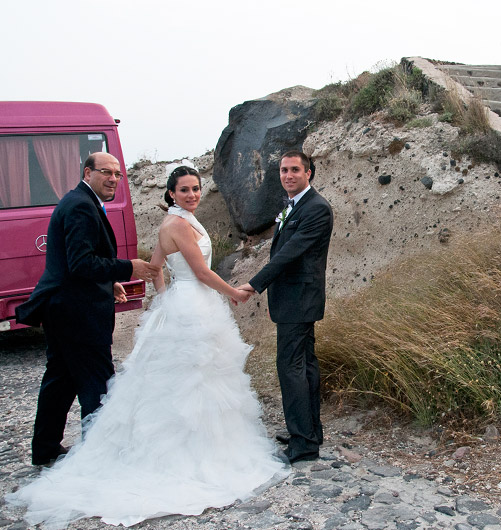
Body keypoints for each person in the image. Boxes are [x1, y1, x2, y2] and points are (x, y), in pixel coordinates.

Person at [6, 166, 290, 528]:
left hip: (187, 305)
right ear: (170, 193)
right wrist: (234, 292)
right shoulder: (173, 224)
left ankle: (51, 446)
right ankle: (143, 449)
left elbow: (155, 267)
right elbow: (200, 271)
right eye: (184, 190)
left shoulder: (185, 221)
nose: (191, 195)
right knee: (184, 379)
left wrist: (162, 299)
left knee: (201, 377)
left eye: (196, 189)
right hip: (188, 304)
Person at [15, 152, 159, 466]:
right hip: (77, 313)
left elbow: (74, 263)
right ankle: (101, 457)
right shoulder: (81, 206)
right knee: (98, 382)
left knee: (60, 381)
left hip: (64, 307)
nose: (113, 179)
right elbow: (81, 263)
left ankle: (45, 450)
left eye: (118, 174)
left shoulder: (78, 200)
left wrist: (108, 284)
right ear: (88, 172)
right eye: (106, 172)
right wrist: (127, 268)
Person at [239, 150, 333, 464]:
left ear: (309, 173)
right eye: (283, 170)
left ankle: (303, 444)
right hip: (293, 299)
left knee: (291, 369)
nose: (288, 175)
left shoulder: (316, 208)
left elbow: (289, 253)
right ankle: (308, 432)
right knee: (304, 367)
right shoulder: (293, 206)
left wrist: (254, 284)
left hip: (300, 300)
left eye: (295, 170)